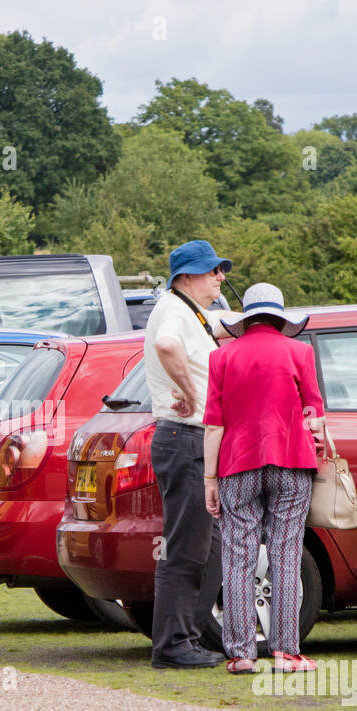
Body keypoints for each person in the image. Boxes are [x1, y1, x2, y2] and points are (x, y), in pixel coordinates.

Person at [203, 283, 325, 674]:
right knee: (285, 554)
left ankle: (241, 654)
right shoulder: (300, 352)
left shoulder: (222, 356)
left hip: (237, 464)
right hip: (291, 461)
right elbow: (315, 417)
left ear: (246, 318)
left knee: (237, 556)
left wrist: (210, 479)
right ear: (280, 317)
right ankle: (286, 652)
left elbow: (213, 426)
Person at [144, 240, 234, 669]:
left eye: (220, 269)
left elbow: (221, 326)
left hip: (194, 440)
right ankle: (172, 646)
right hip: (184, 438)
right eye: (212, 270)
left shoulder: (192, 312)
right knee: (185, 549)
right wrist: (190, 390)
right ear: (186, 277)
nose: (220, 276)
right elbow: (166, 346)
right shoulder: (173, 310)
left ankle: (189, 639)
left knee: (211, 549)